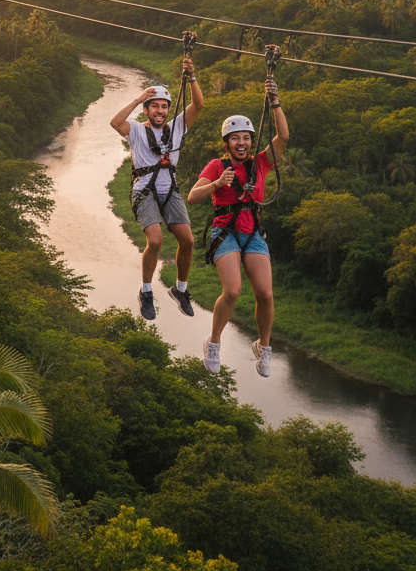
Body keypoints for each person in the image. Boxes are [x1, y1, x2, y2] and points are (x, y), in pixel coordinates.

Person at [187, 78, 288, 378]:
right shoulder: (217, 166)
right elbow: (193, 197)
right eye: (235, 139)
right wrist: (218, 184)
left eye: (246, 138)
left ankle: (263, 346)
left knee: (265, 294)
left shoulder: (261, 163)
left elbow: (283, 137)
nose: (241, 143)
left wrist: (275, 102)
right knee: (232, 291)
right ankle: (213, 342)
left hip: (253, 232)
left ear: (251, 141)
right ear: (227, 143)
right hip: (225, 232)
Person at [110, 56, 202, 322]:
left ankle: (180, 289)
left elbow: (198, 104)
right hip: (145, 191)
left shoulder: (176, 128)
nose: (160, 111)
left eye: (164, 107)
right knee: (156, 240)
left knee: (188, 240)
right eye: (154, 106)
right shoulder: (136, 130)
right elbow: (115, 122)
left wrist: (192, 77)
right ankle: (147, 291)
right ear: (147, 110)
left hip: (170, 190)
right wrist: (138, 99)